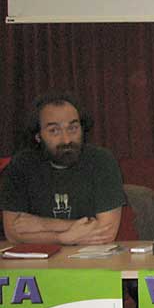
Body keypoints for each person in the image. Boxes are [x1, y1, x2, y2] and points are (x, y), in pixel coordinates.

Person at [0, 92, 125, 245]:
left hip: (91, 256)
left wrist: (42, 224)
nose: (66, 139)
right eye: (54, 130)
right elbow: (13, 234)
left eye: (73, 128)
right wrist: (62, 238)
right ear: (38, 136)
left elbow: (105, 232)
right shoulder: (21, 165)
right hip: (39, 257)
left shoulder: (101, 160)